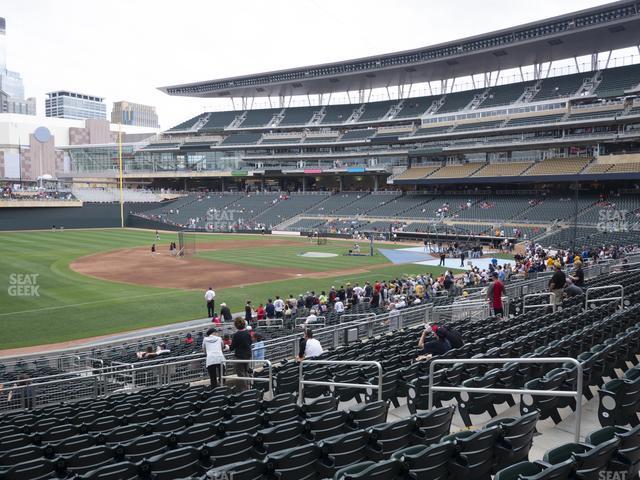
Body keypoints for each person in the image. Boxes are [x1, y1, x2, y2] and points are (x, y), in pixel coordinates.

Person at [229, 318, 253, 391]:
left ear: (236, 325)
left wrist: (229, 346)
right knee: (246, 372)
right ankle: (248, 388)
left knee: (241, 374)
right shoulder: (247, 333)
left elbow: (232, 347)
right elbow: (250, 342)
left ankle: (246, 391)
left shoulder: (237, 335)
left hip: (240, 357)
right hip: (247, 355)